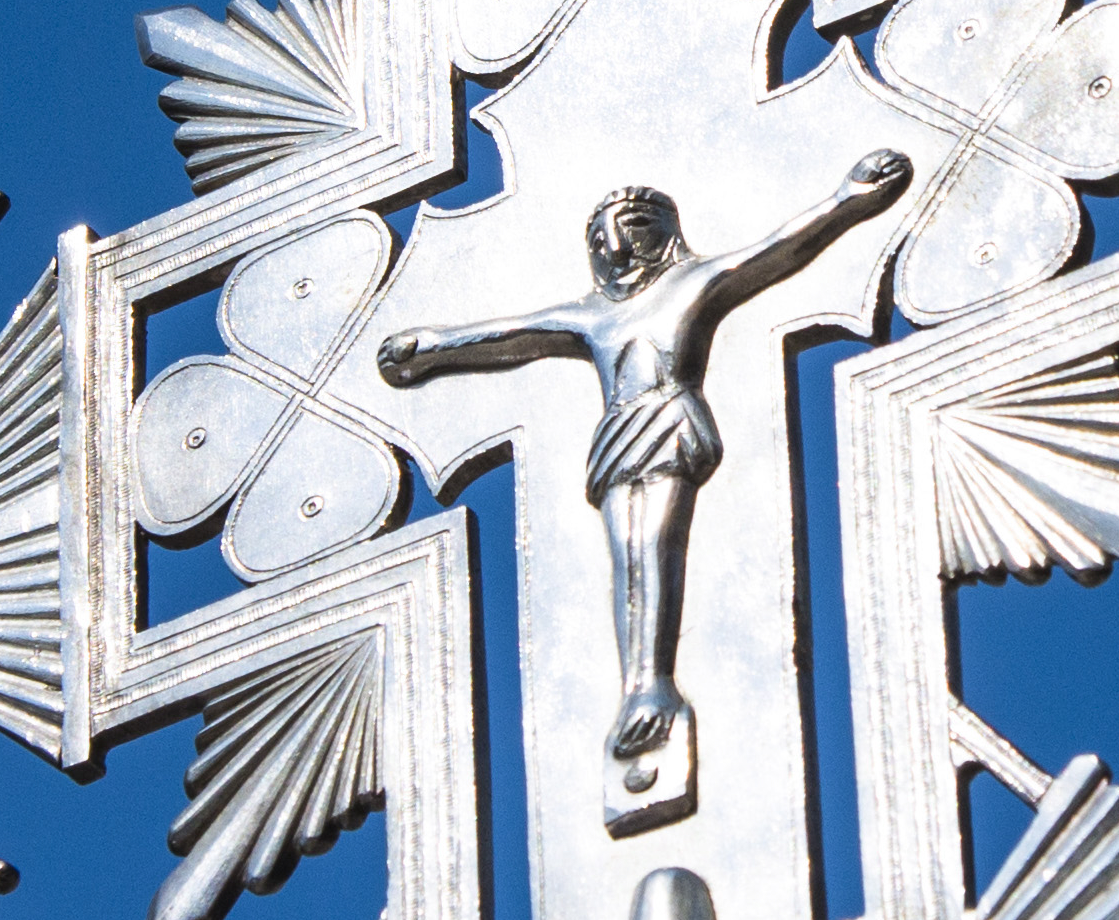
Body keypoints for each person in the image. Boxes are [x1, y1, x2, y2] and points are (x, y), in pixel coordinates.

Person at [383, 152, 912, 814]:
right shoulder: (593, 315)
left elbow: (779, 247)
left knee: (657, 545)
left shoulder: (692, 283)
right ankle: (635, 684)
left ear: (663, 230)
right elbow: (511, 333)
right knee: (623, 558)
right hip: (617, 435)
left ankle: (656, 684)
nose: (614, 245)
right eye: (601, 234)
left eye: (630, 226)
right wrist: (433, 344)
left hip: (668, 415)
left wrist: (847, 198)